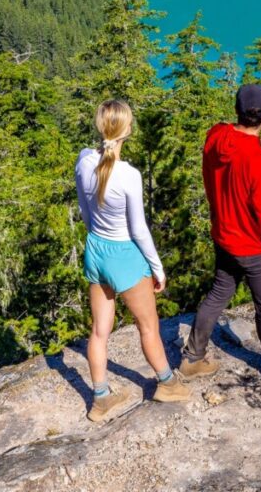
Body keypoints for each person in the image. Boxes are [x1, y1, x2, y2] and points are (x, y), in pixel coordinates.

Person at [75, 98, 190, 421]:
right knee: (148, 327)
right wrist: (157, 267)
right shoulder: (128, 175)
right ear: (128, 130)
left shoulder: (84, 161)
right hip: (124, 254)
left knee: (99, 330)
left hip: (95, 249)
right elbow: (138, 229)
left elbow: (85, 210)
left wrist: (95, 236)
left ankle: (100, 398)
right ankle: (166, 383)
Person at [180, 83, 261, 379]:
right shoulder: (259, 162)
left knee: (218, 295)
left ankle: (193, 357)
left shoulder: (215, 137)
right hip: (254, 250)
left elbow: (220, 136)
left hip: (224, 239)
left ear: (237, 110)